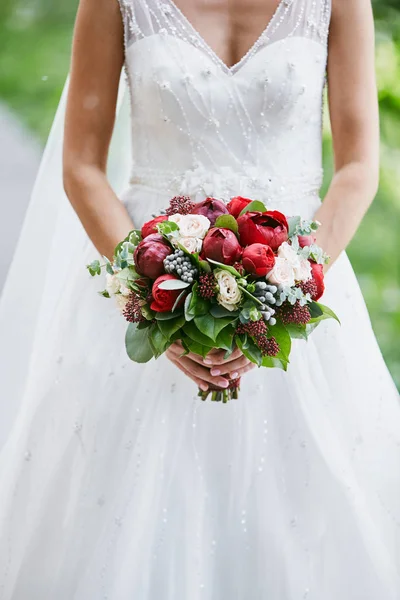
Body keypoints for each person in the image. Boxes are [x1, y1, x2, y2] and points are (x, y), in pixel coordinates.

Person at [0, 0, 399, 597]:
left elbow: (360, 165)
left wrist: (287, 288)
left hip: (295, 279)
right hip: (148, 272)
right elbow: (82, 165)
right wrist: (153, 299)